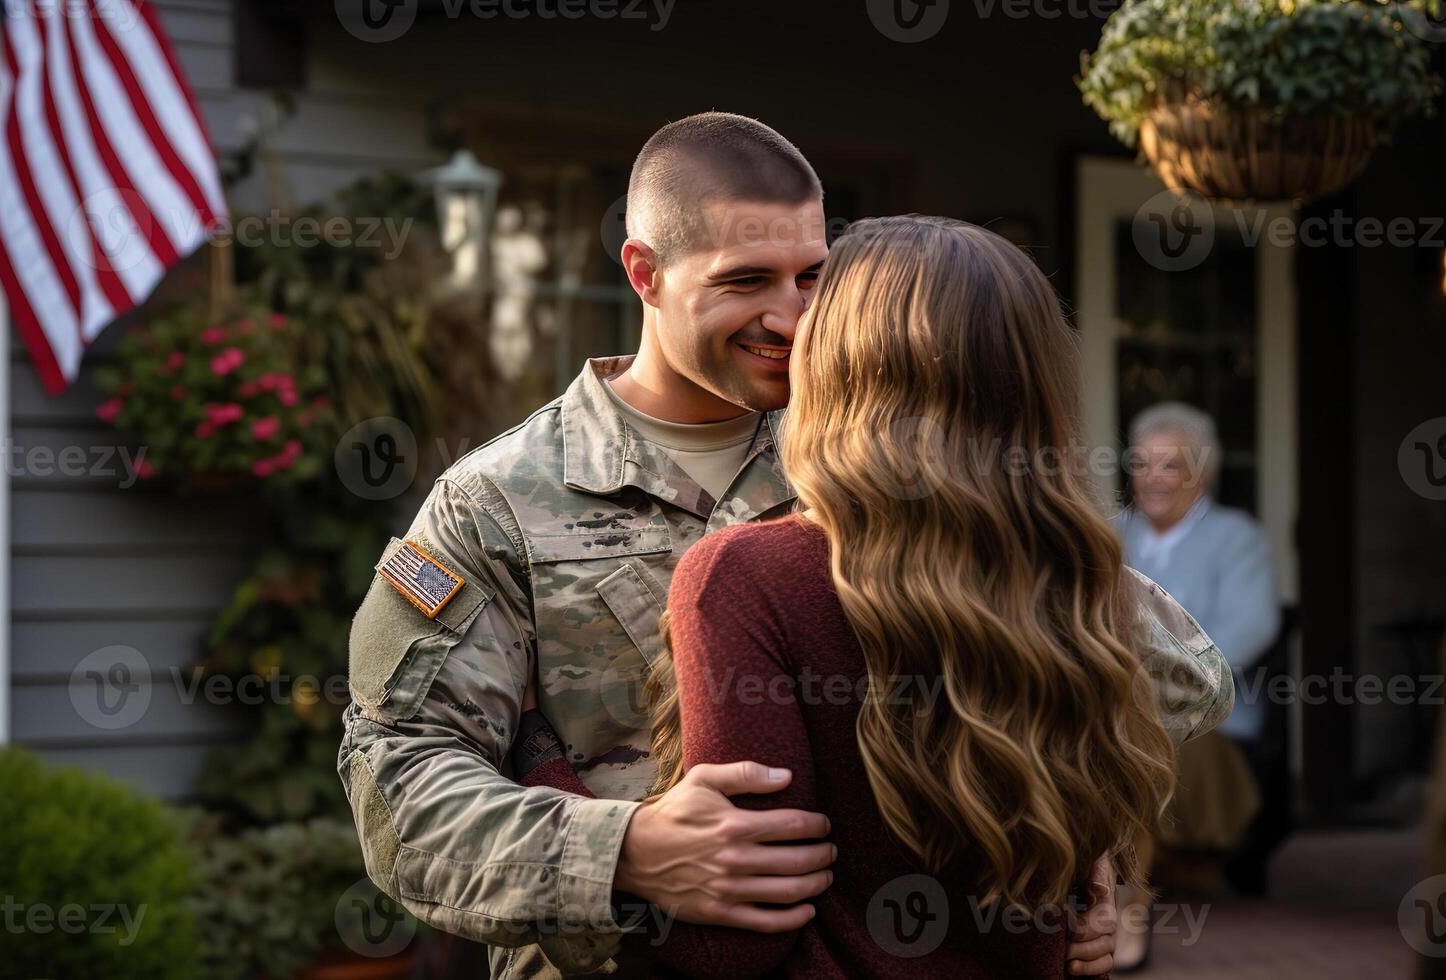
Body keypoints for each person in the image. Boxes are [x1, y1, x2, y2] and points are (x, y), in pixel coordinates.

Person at [339, 114, 1218, 978]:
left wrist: (1082, 854)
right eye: (747, 281)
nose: (791, 317)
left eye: (812, 278)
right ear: (644, 274)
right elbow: (397, 781)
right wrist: (621, 851)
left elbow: (1161, 669)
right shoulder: (495, 503)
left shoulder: (886, 454)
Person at [515, 216, 1235, 977]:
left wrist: (534, 748)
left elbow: (730, 945)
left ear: (840, 363)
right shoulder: (1074, 577)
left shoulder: (752, 579)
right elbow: (1200, 686)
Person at [1110, 402, 1283, 969]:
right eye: (1143, 465)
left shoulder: (1234, 536)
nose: (1153, 479)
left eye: (1171, 466)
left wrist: (1169, 684)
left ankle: (1130, 897)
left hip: (1206, 710)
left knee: (1141, 742)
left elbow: (1252, 625)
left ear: (1201, 474)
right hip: (1111, 702)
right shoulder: (1108, 534)